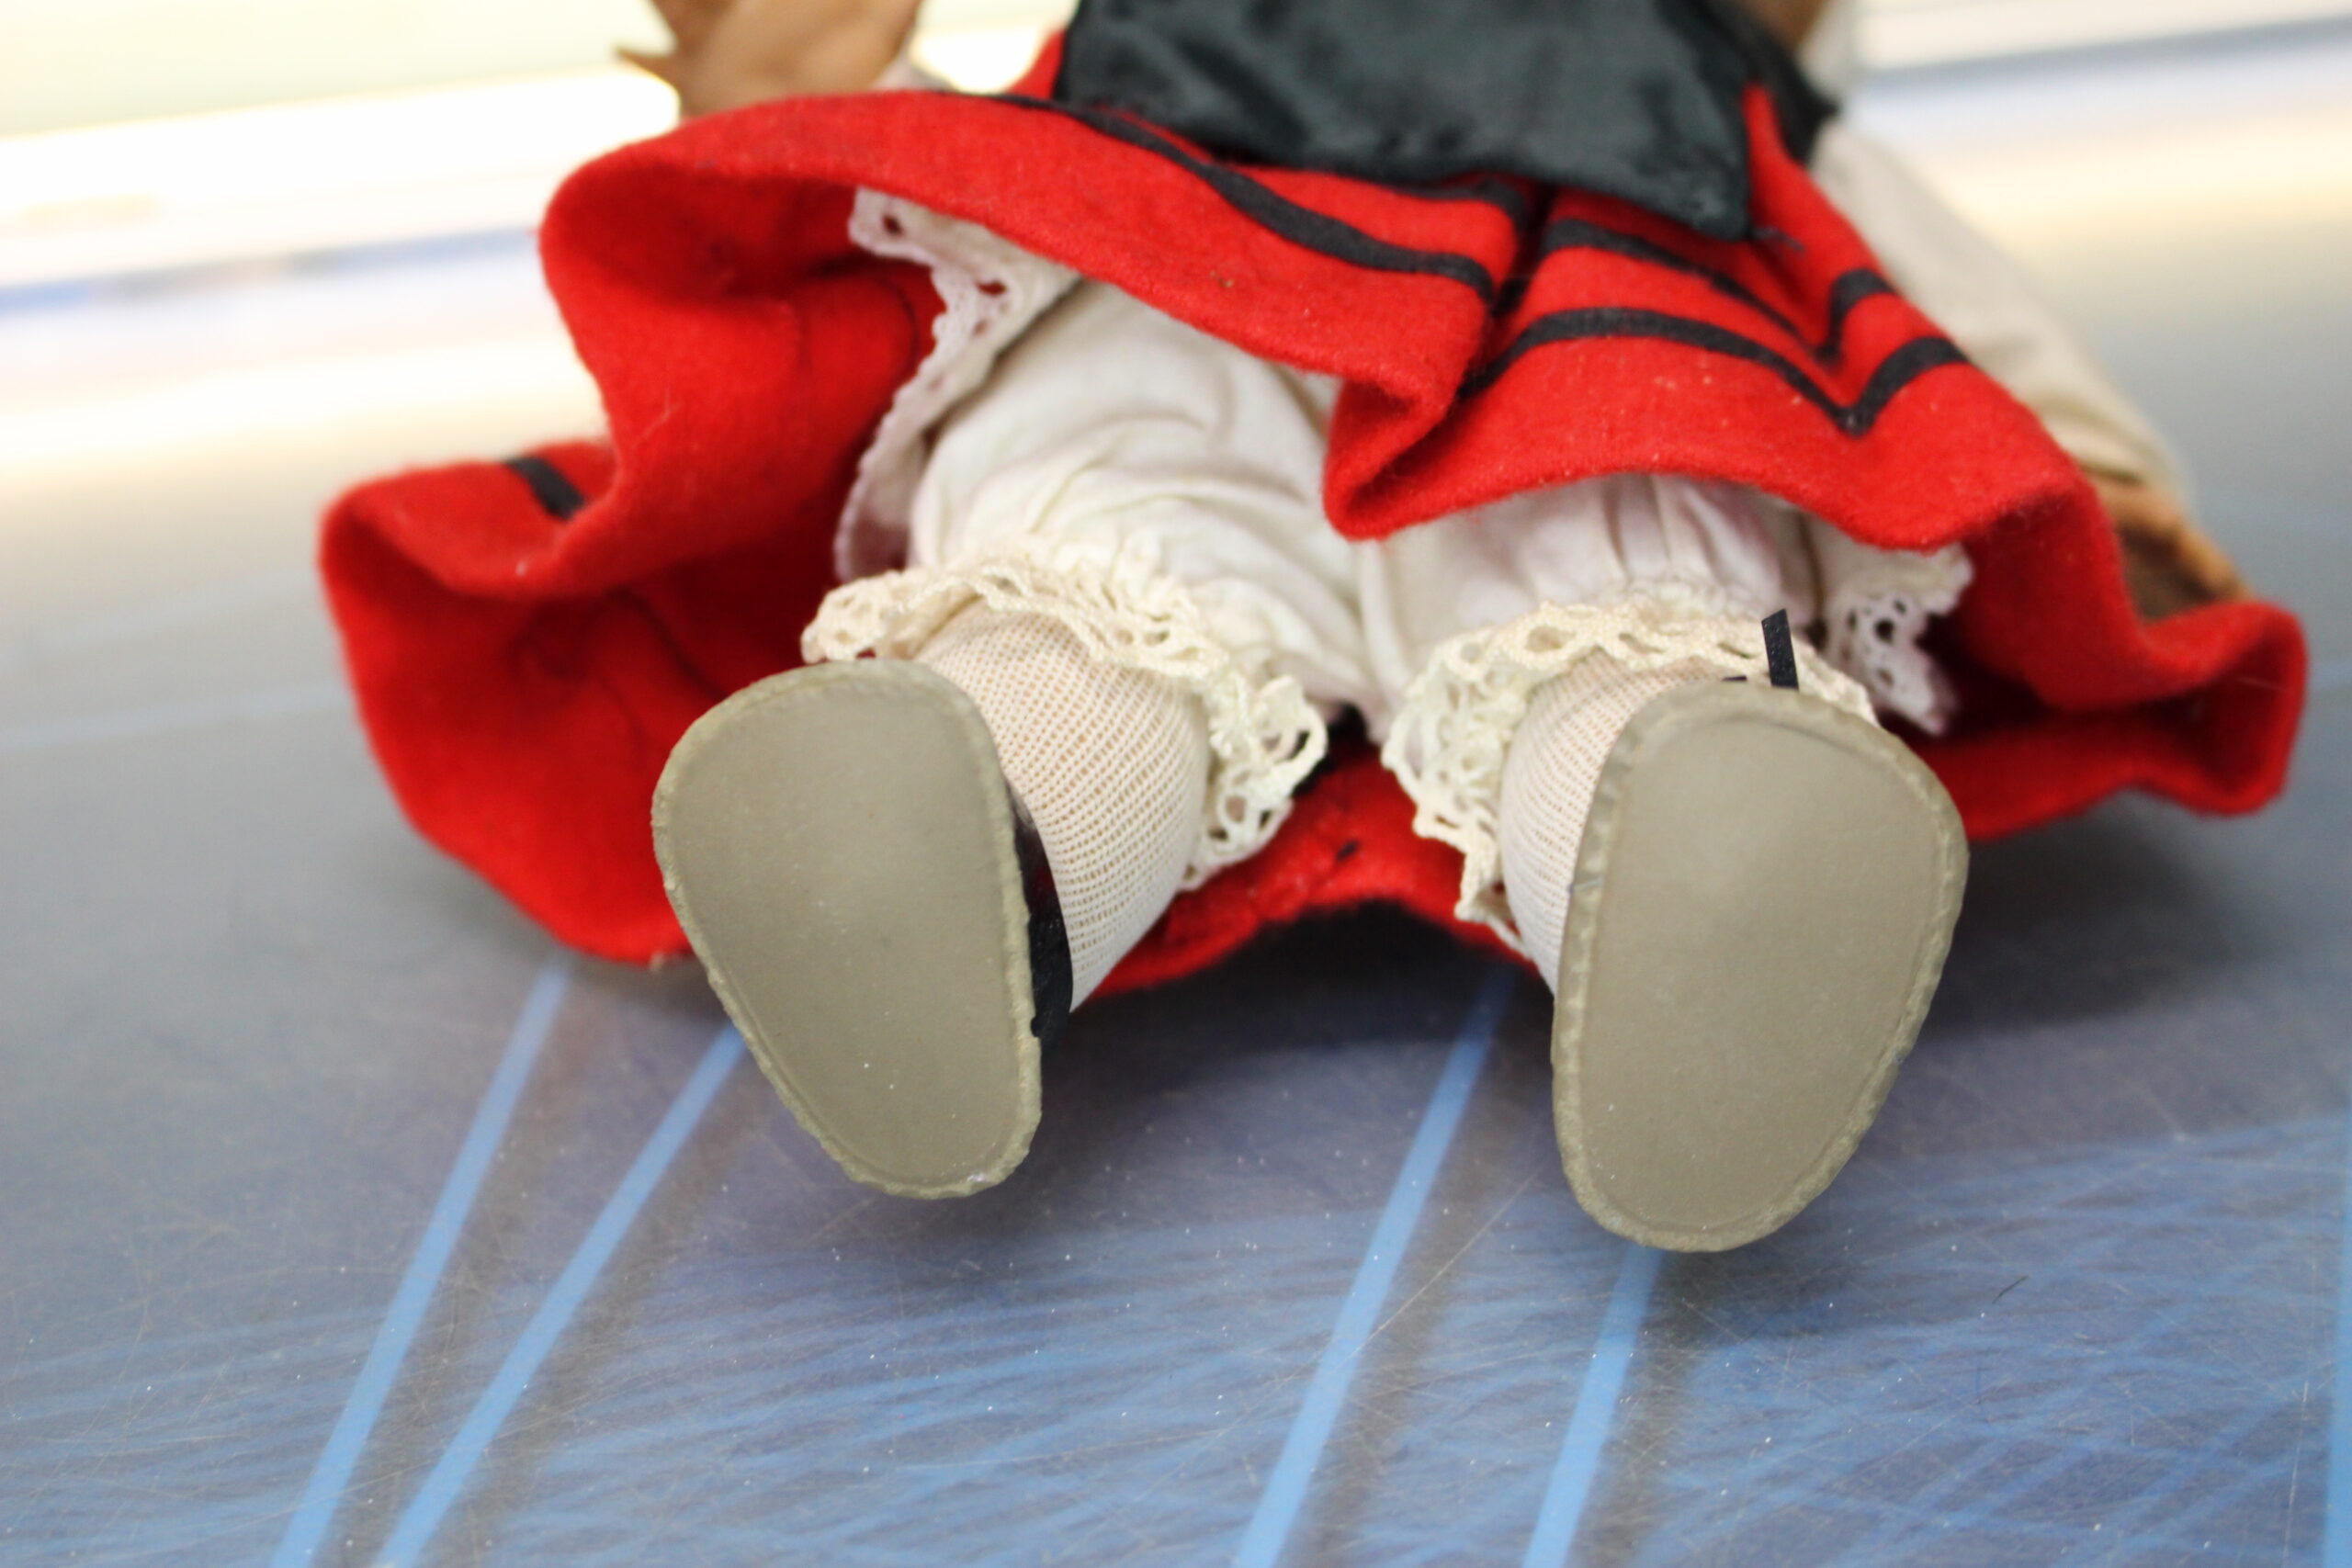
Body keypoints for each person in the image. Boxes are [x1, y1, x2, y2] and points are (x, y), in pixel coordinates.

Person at [321, 0, 2307, 1251]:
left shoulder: (1726, 87)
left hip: (1588, 345)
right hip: (1231, 289)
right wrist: (785, 71)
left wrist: (2085, 478)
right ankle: (965, 830)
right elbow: (925, 158)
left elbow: (1924, 279)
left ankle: (1693, 865)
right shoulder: (1140, 44)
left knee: (1592, 586)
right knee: (1122, 550)